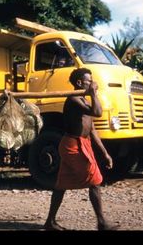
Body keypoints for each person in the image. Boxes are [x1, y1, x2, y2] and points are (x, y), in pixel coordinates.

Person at [44, 68, 118, 231]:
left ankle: (50, 222)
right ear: (79, 83)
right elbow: (98, 112)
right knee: (95, 181)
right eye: (89, 81)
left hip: (83, 144)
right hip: (72, 145)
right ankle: (102, 223)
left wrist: (105, 153)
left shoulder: (84, 101)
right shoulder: (73, 99)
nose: (92, 83)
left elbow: (92, 130)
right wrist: (94, 93)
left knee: (61, 184)